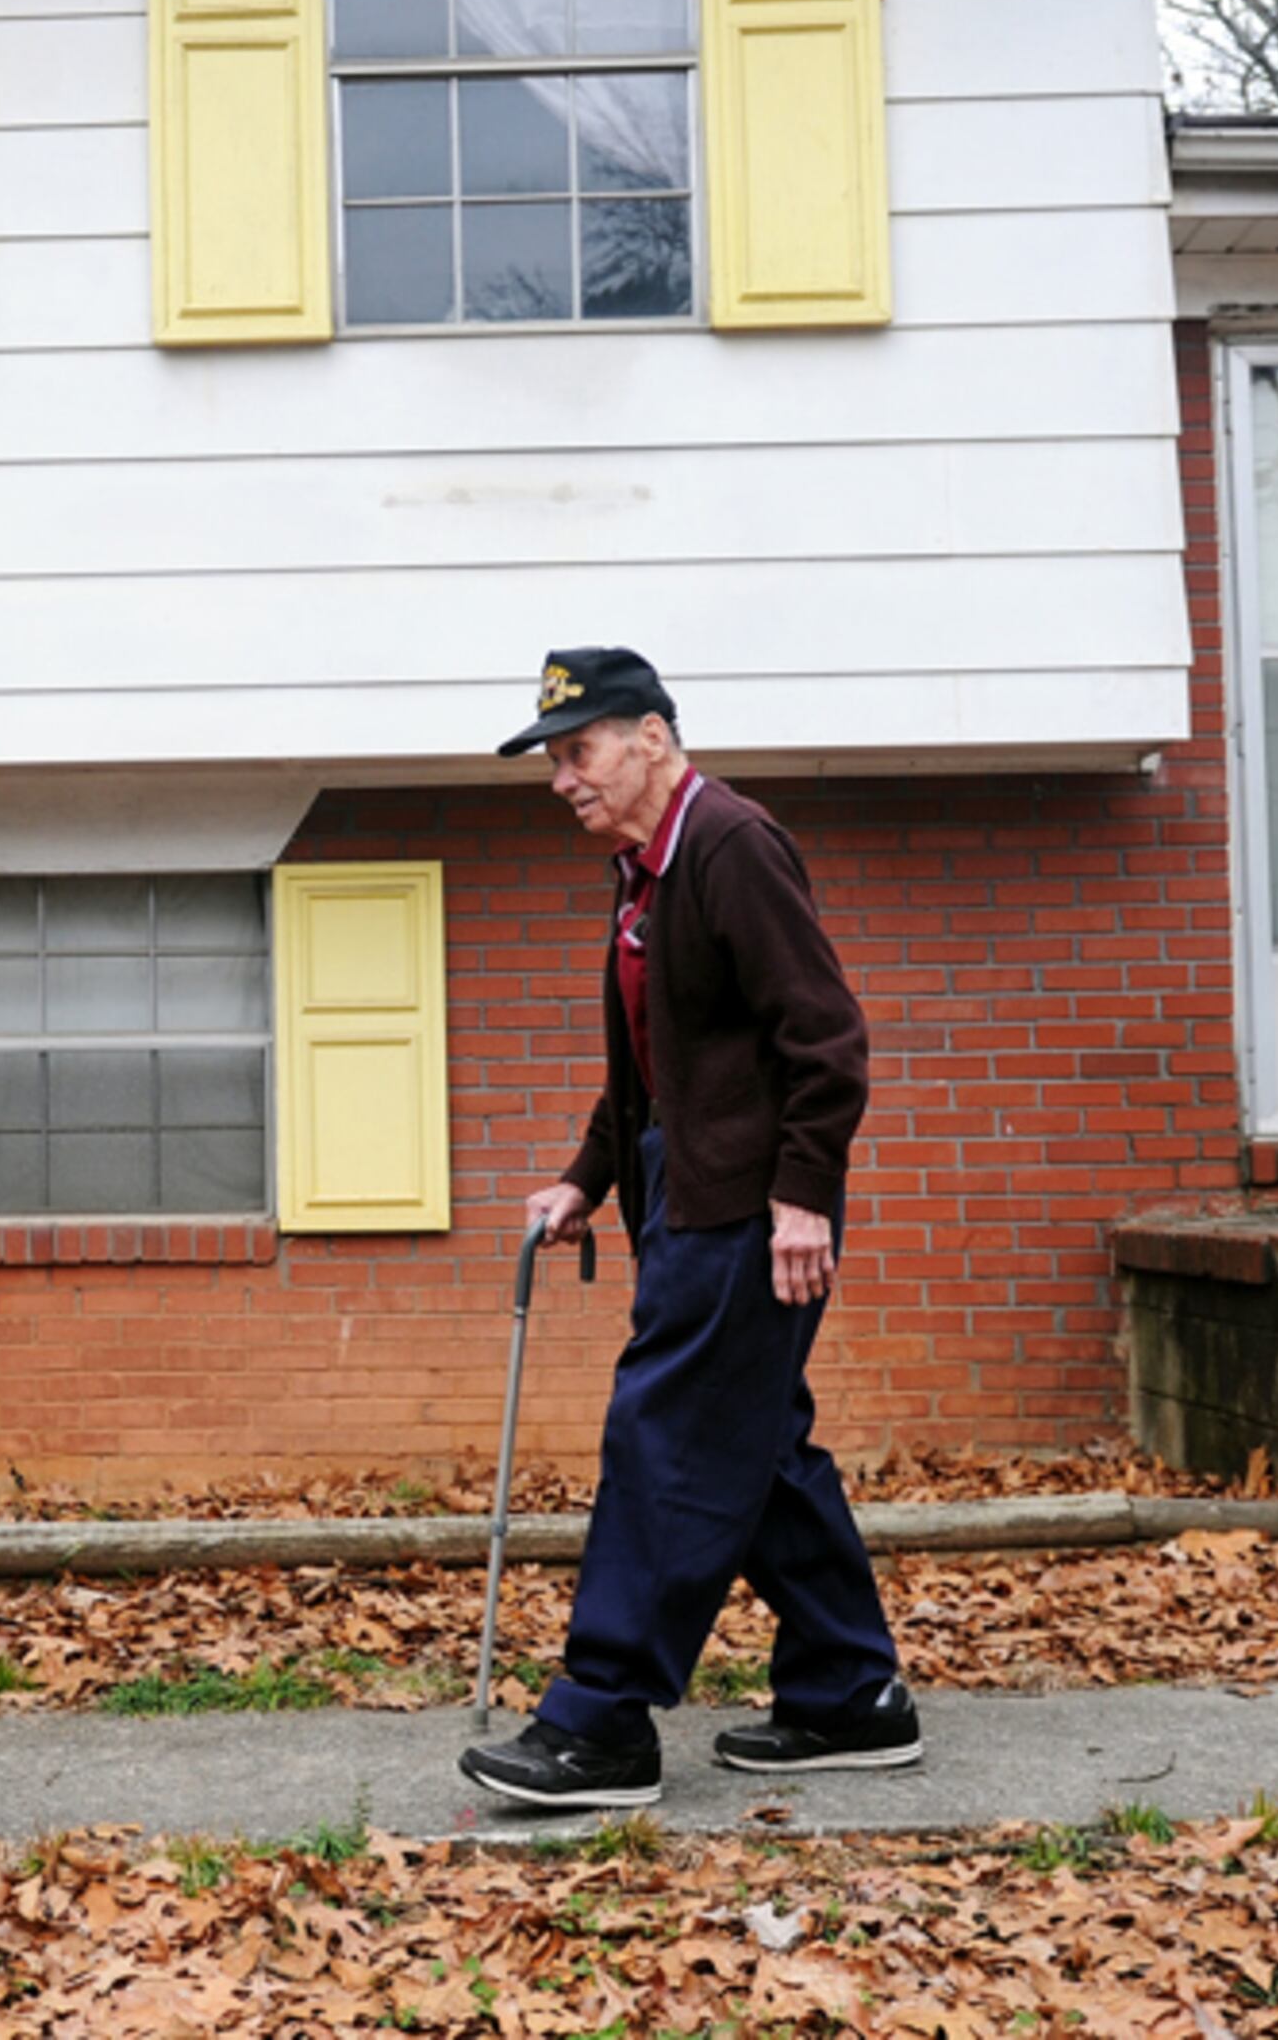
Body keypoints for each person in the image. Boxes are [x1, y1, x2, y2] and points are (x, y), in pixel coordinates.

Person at [457, 646, 917, 1810]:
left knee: (662, 1441)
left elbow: (826, 1041)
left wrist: (803, 1198)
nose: (563, 777)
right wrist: (585, 1179)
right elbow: (652, 1075)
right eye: (553, 759)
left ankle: (602, 1721)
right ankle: (851, 1694)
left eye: (579, 751)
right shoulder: (643, 872)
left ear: (651, 737)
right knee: (755, 1453)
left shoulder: (730, 845)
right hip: (686, 1194)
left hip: (751, 1211)